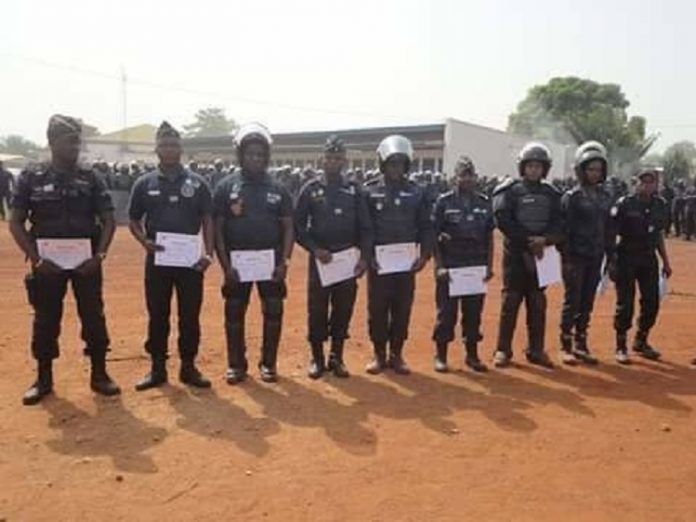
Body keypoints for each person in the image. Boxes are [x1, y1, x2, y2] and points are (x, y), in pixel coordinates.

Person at [9, 115, 120, 405]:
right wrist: (35, 259)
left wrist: (100, 256)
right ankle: (43, 378)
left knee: (94, 316)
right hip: (47, 265)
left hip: (87, 264)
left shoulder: (91, 176)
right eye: (70, 140)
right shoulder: (31, 177)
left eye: (78, 140)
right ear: (52, 141)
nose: (76, 146)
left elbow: (108, 220)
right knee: (45, 320)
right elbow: (16, 222)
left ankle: (100, 374)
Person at [128, 121, 214, 390]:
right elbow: (132, 219)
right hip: (158, 261)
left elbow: (208, 219)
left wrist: (208, 253)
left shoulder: (198, 183)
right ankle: (157, 367)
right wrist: (145, 242)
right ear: (156, 149)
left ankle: (188, 366)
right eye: (164, 144)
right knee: (157, 314)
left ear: (181, 149)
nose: (169, 149)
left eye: (174, 144)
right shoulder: (144, 183)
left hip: (190, 263)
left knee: (189, 315)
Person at [213, 123, 294, 384]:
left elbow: (288, 228)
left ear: (267, 157)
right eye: (250, 153)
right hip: (238, 264)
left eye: (260, 154)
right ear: (240, 155)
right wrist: (226, 267)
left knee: (273, 311)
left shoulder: (279, 189)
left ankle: (268, 364)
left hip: (270, 264)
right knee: (234, 311)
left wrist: (285, 263)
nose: (255, 158)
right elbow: (218, 229)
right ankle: (236, 365)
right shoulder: (226, 188)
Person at [294, 135, 372, 379]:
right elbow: (298, 227)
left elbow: (366, 228)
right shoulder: (310, 189)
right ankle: (317, 358)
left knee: (343, 308)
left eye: (338, 158)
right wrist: (315, 249)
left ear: (344, 161)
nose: (333, 162)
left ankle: (336, 357)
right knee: (316, 310)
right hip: (321, 260)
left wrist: (364, 258)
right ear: (322, 159)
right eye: (329, 157)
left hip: (347, 260)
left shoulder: (355, 190)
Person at [364, 135, 434, 375]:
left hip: (406, 264)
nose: (396, 168)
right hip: (379, 263)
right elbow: (364, 228)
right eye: (392, 163)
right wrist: (367, 255)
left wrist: (424, 255)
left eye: (401, 164)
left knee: (402, 307)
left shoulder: (417, 192)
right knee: (377, 308)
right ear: (383, 164)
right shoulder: (370, 191)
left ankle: (397, 353)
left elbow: (427, 226)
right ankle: (378, 353)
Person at [492, 142, 564, 369]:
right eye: (530, 166)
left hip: (542, 255)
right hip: (515, 255)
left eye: (538, 166)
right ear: (522, 167)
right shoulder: (510, 191)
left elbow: (560, 223)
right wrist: (527, 241)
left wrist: (546, 240)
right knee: (510, 301)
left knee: (537, 302)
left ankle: (536, 349)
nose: (534, 170)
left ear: (545, 169)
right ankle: (503, 349)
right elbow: (503, 220)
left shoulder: (552, 194)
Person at [431, 156, 493, 372]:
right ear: (454, 178)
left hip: (475, 265)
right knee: (446, 314)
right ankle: (440, 356)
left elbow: (489, 237)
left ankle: (472, 355)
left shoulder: (484, 203)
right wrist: (439, 266)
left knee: (473, 312)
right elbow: (434, 236)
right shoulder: (444, 202)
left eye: (470, 175)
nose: (467, 179)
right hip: (451, 266)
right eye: (462, 175)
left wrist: (489, 266)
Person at [609, 168, 672, 364]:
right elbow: (612, 234)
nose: (647, 185)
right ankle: (620, 345)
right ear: (636, 183)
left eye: (651, 182)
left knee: (652, 301)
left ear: (656, 185)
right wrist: (611, 261)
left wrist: (666, 261)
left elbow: (659, 235)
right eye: (643, 182)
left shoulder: (660, 205)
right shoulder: (625, 204)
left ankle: (641, 339)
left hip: (648, 258)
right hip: (626, 257)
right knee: (625, 303)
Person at [558, 141, 613, 365]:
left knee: (587, 300)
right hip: (575, 256)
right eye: (590, 169)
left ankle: (582, 342)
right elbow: (564, 230)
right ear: (581, 170)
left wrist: (610, 254)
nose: (595, 173)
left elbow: (608, 228)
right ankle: (565, 345)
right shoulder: (572, 197)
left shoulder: (604, 196)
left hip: (595, 255)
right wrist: (567, 257)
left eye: (598, 169)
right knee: (573, 299)